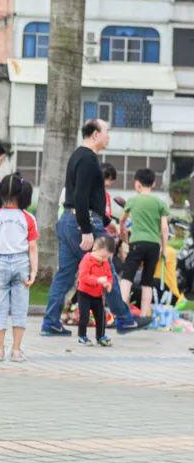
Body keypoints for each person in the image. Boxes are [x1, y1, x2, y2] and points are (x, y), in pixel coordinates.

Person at [41, 119, 148, 335]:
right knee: (105, 269)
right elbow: (80, 196)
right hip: (82, 224)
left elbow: (89, 198)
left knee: (65, 274)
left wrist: (109, 224)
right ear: (95, 134)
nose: (108, 136)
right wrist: (87, 229)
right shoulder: (88, 159)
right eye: (107, 131)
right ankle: (124, 319)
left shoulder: (80, 156)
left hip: (72, 221)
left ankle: (50, 322)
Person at [0, 175, 39, 362]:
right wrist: (34, 271)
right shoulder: (28, 217)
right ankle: (16, 351)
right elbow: (32, 247)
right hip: (21, 262)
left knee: (0, 308)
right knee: (20, 308)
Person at [119, 168, 169, 317]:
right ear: (153, 183)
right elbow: (164, 228)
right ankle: (144, 314)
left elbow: (122, 221)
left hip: (137, 243)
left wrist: (123, 233)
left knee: (127, 277)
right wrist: (164, 249)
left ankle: (121, 313)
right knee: (147, 281)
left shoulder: (133, 200)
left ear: (137, 184)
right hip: (154, 245)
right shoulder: (160, 203)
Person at [77, 236, 116, 347]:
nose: (104, 260)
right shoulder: (87, 260)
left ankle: (100, 336)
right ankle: (82, 336)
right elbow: (83, 277)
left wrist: (108, 284)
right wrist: (97, 280)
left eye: (106, 258)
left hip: (98, 295)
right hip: (84, 293)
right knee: (84, 316)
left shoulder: (105, 263)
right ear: (94, 249)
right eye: (102, 256)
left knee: (101, 316)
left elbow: (109, 276)